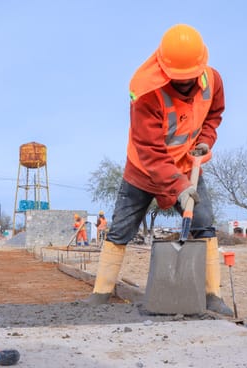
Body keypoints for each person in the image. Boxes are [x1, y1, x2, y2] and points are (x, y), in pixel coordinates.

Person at [84, 24, 232, 316]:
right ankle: (101, 294)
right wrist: (178, 188)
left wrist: (204, 141)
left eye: (191, 76)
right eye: (180, 78)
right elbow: (150, 151)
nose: (187, 82)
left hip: (187, 166)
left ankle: (212, 296)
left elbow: (214, 115)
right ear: (165, 69)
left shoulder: (212, 80)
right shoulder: (145, 91)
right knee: (121, 230)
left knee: (204, 225)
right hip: (142, 171)